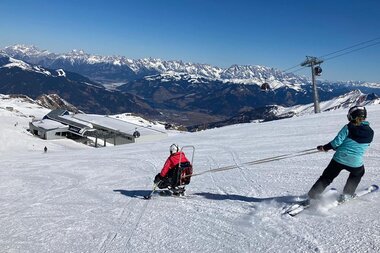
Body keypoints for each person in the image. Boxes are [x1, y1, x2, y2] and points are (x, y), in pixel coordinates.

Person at [308, 106, 374, 202]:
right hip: (355, 163)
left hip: (338, 159)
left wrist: (324, 147)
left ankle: (312, 195)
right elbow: (360, 146)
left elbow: (336, 143)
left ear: (352, 116)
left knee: (327, 177)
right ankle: (347, 194)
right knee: (359, 172)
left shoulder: (348, 127)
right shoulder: (370, 132)